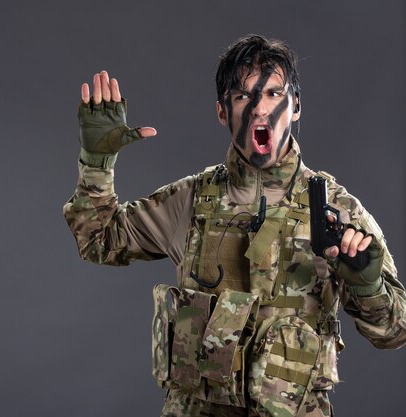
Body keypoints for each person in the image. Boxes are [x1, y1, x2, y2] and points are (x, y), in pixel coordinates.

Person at [63, 35, 406, 417]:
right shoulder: (190, 200)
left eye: (275, 93)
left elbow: (394, 333)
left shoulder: (336, 211)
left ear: (296, 107)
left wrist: (367, 284)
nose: (260, 108)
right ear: (223, 111)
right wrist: (96, 162)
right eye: (243, 96)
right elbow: (99, 240)